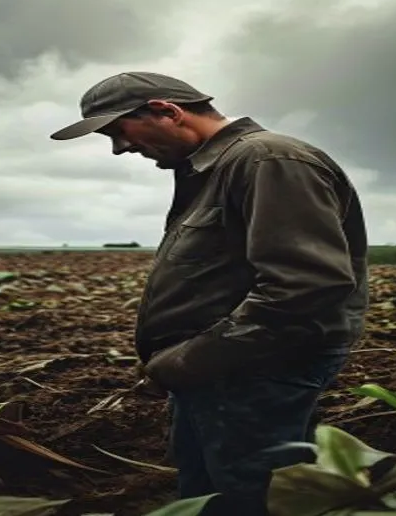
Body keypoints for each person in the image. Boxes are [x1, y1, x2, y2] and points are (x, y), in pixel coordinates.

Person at [49, 71, 369, 515]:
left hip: (256, 368)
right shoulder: (215, 169)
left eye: (117, 132)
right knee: (206, 494)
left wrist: (185, 361)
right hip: (222, 369)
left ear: (166, 111)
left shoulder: (268, 160)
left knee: (254, 498)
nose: (120, 148)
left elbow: (304, 287)